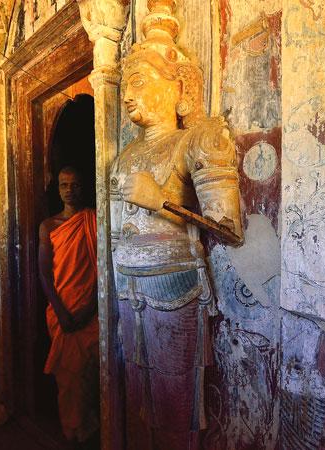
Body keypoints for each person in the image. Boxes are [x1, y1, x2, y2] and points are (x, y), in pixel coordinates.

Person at [109, 0, 243, 448]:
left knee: (175, 401)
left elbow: (229, 228)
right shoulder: (125, 156)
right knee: (139, 396)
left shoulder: (199, 140)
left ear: (177, 86)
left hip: (175, 286)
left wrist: (163, 202)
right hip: (127, 288)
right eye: (126, 84)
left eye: (139, 81)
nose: (127, 94)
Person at [38, 166, 100, 445]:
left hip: (91, 309)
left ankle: (89, 426)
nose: (70, 190)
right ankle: (71, 428)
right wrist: (61, 312)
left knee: (91, 373)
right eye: (64, 185)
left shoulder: (92, 220)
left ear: (82, 187)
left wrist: (90, 308)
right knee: (68, 376)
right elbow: (44, 273)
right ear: (58, 189)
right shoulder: (48, 226)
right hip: (61, 311)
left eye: (75, 185)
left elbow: (103, 267)